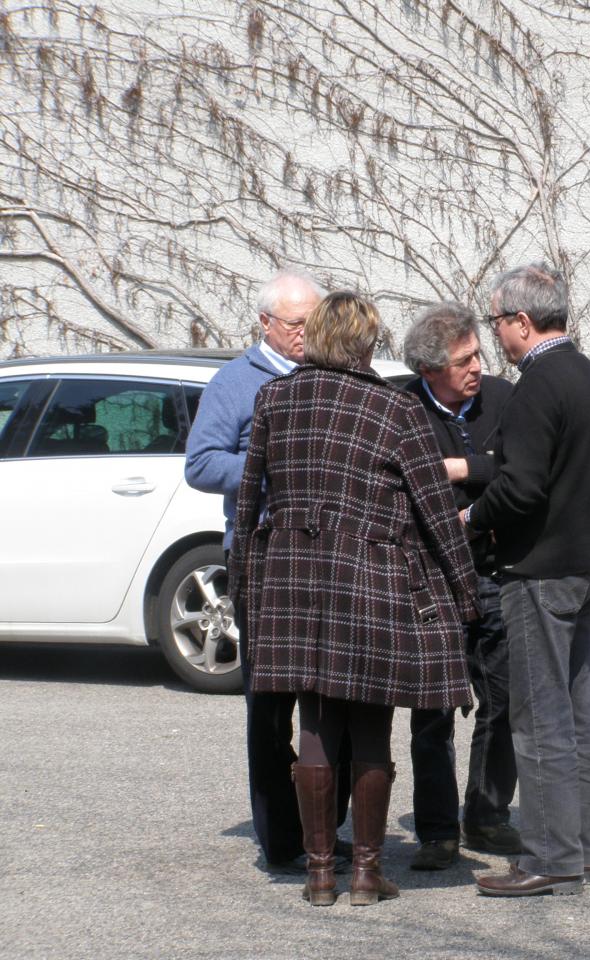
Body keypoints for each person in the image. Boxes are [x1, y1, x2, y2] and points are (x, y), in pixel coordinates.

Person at [228, 291, 477, 906]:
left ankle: (318, 876)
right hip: (370, 577)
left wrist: (242, 580)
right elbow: (436, 511)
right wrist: (465, 591)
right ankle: (365, 873)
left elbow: (248, 498)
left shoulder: (275, 398)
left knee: (313, 724)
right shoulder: (394, 410)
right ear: (366, 344)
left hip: (292, 579)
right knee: (369, 725)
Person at [185, 268, 352, 870]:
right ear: (264, 324)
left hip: (328, 558)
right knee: (269, 702)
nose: (307, 334)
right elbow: (201, 464)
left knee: (336, 694)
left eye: (314, 322)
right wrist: (270, 470)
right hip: (261, 556)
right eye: (295, 324)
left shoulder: (327, 375)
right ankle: (280, 837)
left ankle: (325, 828)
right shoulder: (236, 382)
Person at [465, 262, 590, 897]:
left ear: (523, 322)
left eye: (498, 323)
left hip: (540, 571)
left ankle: (548, 858)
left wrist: (470, 514)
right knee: (577, 715)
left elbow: (521, 488)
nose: (497, 336)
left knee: (538, 719)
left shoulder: (536, 386)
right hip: (588, 566)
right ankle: (577, 849)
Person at [401, 303, 520, 870]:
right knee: (433, 710)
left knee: (504, 699)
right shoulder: (399, 407)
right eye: (464, 360)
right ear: (429, 370)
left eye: (479, 353)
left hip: (495, 569)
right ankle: (438, 831)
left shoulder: (505, 399)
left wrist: (457, 468)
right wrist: (482, 464)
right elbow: (396, 478)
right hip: (430, 580)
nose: (478, 366)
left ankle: (488, 814)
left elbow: (521, 470)